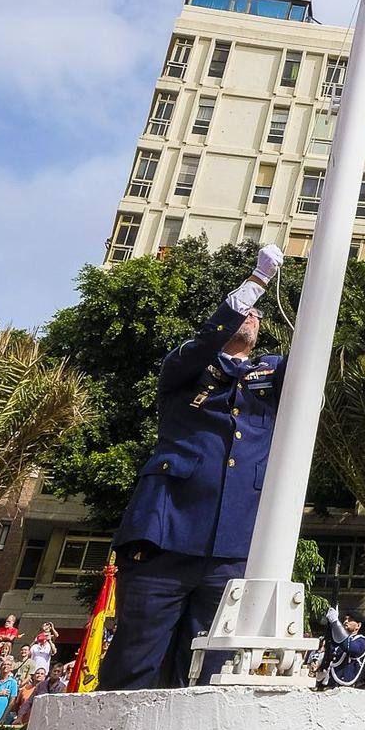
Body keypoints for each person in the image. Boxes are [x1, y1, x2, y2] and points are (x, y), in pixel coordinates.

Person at [100, 246, 286, 690]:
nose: (252, 316)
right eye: (245, 310)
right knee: (136, 662)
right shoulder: (187, 365)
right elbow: (205, 342)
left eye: (257, 314)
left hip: (233, 544)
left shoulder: (273, 374)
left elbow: (319, 364)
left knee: (210, 672)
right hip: (167, 534)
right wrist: (254, 285)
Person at [320, 609, 365, 689]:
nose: (346, 621)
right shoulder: (339, 639)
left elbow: (349, 647)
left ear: (358, 625)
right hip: (331, 682)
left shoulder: (362, 641)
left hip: (346, 684)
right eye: (345, 619)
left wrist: (335, 622)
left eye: (350, 620)